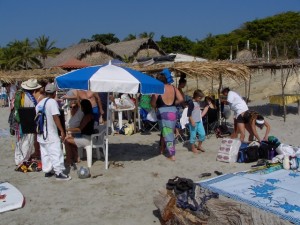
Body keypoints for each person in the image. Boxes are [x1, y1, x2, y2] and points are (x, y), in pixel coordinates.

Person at [34, 83, 70, 181]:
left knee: (45, 152)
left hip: (41, 133)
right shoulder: (52, 102)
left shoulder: (39, 103)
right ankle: (59, 172)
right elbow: (55, 117)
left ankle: (48, 171)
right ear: (55, 93)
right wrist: (62, 130)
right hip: (50, 133)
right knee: (56, 152)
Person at [151, 74, 183, 161]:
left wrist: (157, 105)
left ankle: (172, 155)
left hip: (163, 112)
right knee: (166, 132)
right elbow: (181, 99)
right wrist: (173, 104)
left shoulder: (158, 89)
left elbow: (153, 103)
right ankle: (162, 149)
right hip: (173, 111)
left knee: (168, 134)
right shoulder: (173, 87)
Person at [13, 79, 41, 165]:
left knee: (21, 141)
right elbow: (31, 109)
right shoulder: (29, 98)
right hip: (28, 121)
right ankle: (23, 159)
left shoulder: (22, 95)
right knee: (27, 141)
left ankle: (19, 158)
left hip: (22, 120)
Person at [64, 99, 95, 170]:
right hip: (87, 138)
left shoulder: (87, 116)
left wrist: (68, 129)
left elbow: (79, 129)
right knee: (71, 139)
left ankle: (69, 160)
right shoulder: (90, 115)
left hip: (86, 139)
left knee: (67, 141)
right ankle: (74, 158)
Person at [187, 89, 206, 154]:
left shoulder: (198, 102)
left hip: (199, 121)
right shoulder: (191, 103)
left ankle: (199, 146)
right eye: (199, 98)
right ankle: (193, 148)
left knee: (202, 134)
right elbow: (188, 114)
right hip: (193, 122)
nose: (200, 99)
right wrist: (192, 121)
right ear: (196, 96)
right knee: (193, 135)